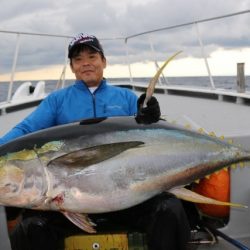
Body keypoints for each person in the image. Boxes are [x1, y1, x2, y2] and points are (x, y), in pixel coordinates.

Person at [1, 33, 190, 250]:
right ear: (72, 67)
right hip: (70, 201)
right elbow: (26, 129)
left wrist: (150, 115)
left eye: (92, 56)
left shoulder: (126, 98)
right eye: (78, 60)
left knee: (170, 209)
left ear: (104, 62)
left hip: (127, 197)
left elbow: (154, 140)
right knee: (31, 227)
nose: (86, 64)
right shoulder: (56, 101)